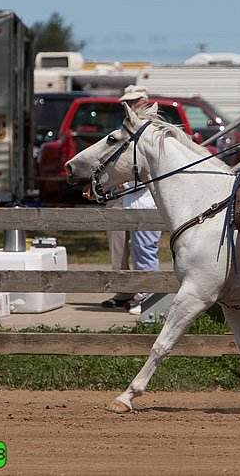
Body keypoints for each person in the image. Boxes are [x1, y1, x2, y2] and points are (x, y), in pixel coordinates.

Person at [102, 85, 162, 314]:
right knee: (123, 249)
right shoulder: (126, 126)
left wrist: (124, 181)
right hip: (125, 197)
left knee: (144, 249)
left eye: (134, 101)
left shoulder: (151, 128)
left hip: (141, 197)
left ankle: (147, 295)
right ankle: (127, 291)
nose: (128, 106)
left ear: (144, 101)